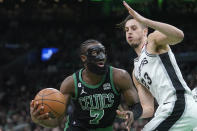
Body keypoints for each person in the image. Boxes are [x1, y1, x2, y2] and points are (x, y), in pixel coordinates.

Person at [30, 39, 152, 131]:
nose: (101, 57)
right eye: (94, 53)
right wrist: (38, 120)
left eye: (103, 52)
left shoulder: (120, 77)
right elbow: (57, 121)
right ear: (83, 58)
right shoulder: (70, 83)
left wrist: (133, 114)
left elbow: (136, 106)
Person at [117, 1, 197, 131]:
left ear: (145, 31)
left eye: (134, 28)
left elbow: (179, 35)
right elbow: (148, 108)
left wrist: (144, 19)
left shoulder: (152, 41)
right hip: (171, 111)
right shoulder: (135, 71)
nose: (129, 32)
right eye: (126, 30)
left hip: (178, 104)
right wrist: (133, 114)